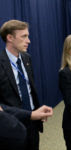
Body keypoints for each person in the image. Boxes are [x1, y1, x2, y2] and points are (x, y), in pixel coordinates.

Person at [0, 20, 49, 150]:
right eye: (24, 36)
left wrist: (37, 112)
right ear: (9, 38)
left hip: (33, 123)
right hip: (11, 126)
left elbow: (30, 90)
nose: (29, 41)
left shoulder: (27, 58)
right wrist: (29, 115)